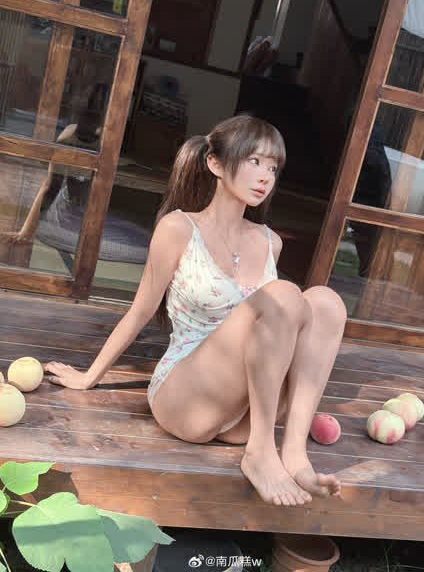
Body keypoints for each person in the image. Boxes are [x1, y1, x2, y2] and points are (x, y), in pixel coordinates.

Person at [44, 114, 347, 507]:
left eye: (273, 168)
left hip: (244, 412)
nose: (265, 176)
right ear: (215, 163)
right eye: (254, 161)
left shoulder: (271, 242)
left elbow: (281, 336)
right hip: (186, 398)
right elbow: (140, 310)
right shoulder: (178, 229)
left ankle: (293, 454)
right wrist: (88, 377)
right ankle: (260, 453)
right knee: (285, 294)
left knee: (326, 302)